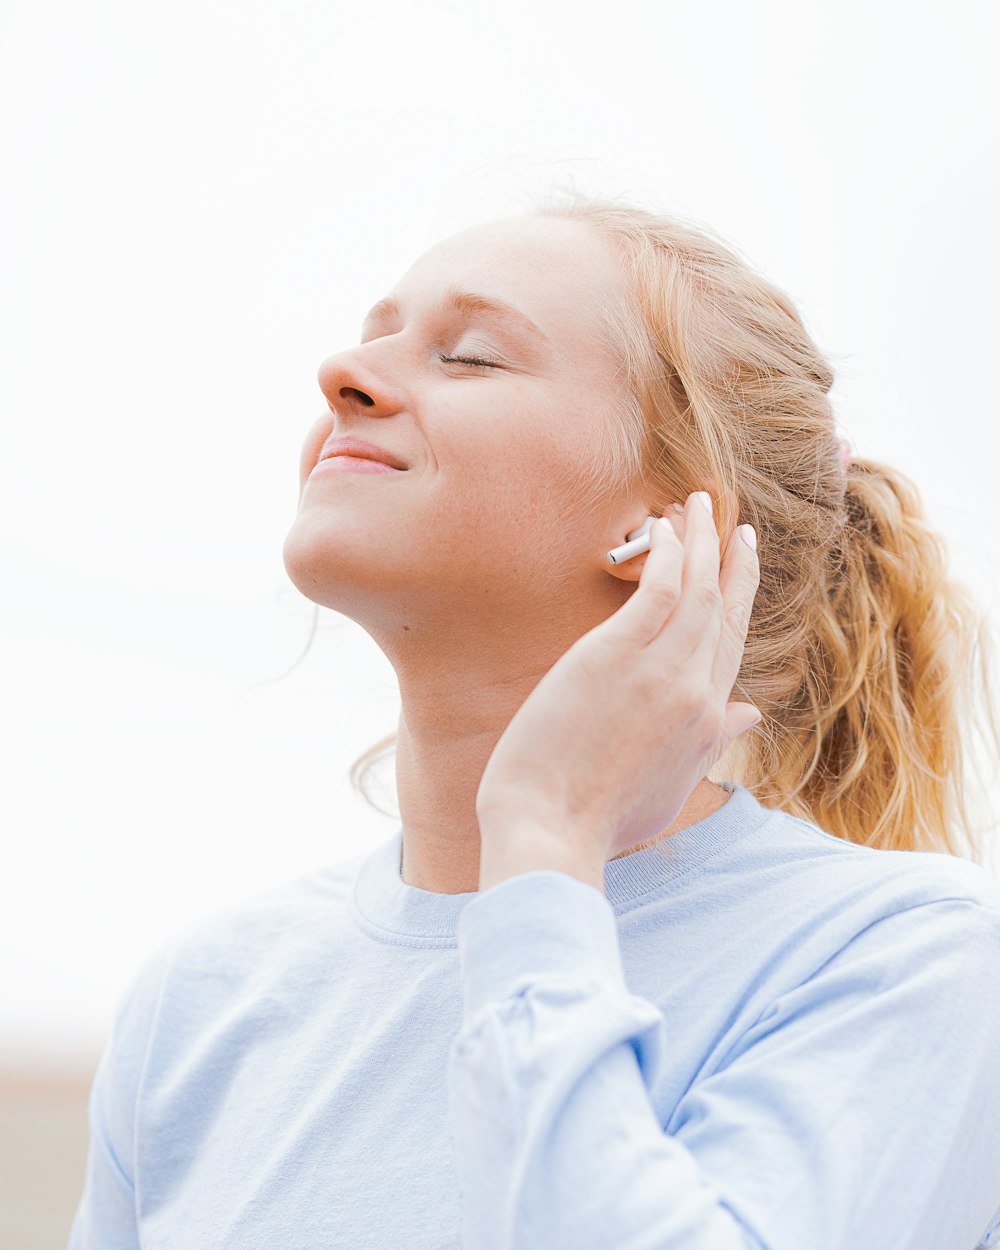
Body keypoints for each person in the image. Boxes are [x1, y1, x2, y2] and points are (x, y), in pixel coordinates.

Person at [68, 197, 1000, 1249]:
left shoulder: (902, 955)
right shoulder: (201, 1003)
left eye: (468, 356)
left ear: (668, 524)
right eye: (375, 334)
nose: (342, 370)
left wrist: (546, 837)